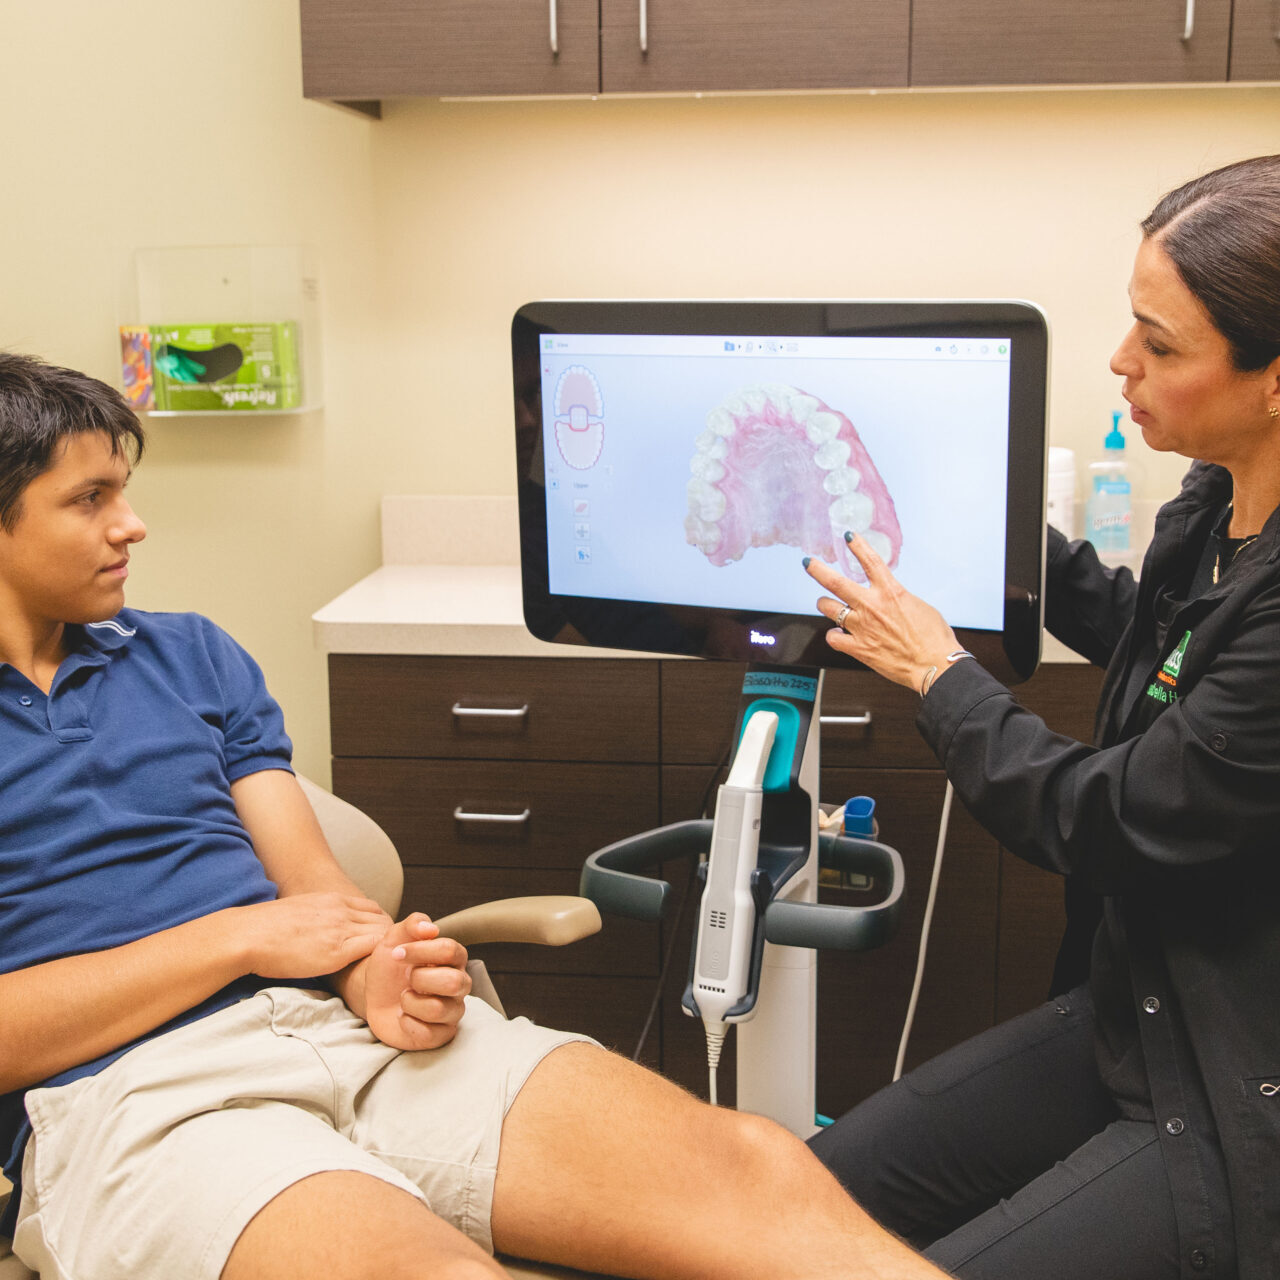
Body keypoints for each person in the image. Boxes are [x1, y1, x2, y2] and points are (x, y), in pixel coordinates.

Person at [0, 351, 953, 1280]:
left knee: (759, 1173)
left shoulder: (190, 656)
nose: (132, 526)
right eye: (89, 500)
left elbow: (316, 893)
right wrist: (238, 942)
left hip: (332, 1028)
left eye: (123, 490)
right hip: (130, 1098)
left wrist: (376, 971)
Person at [802, 154, 1280, 1280]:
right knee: (801, 1192)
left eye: (1160, 346)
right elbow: (1156, 648)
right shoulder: (1214, 500)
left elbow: (1107, 815)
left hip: (1232, 1072)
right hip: (1136, 1007)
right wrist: (991, 526)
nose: (1121, 361)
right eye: (1132, 325)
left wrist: (938, 672)